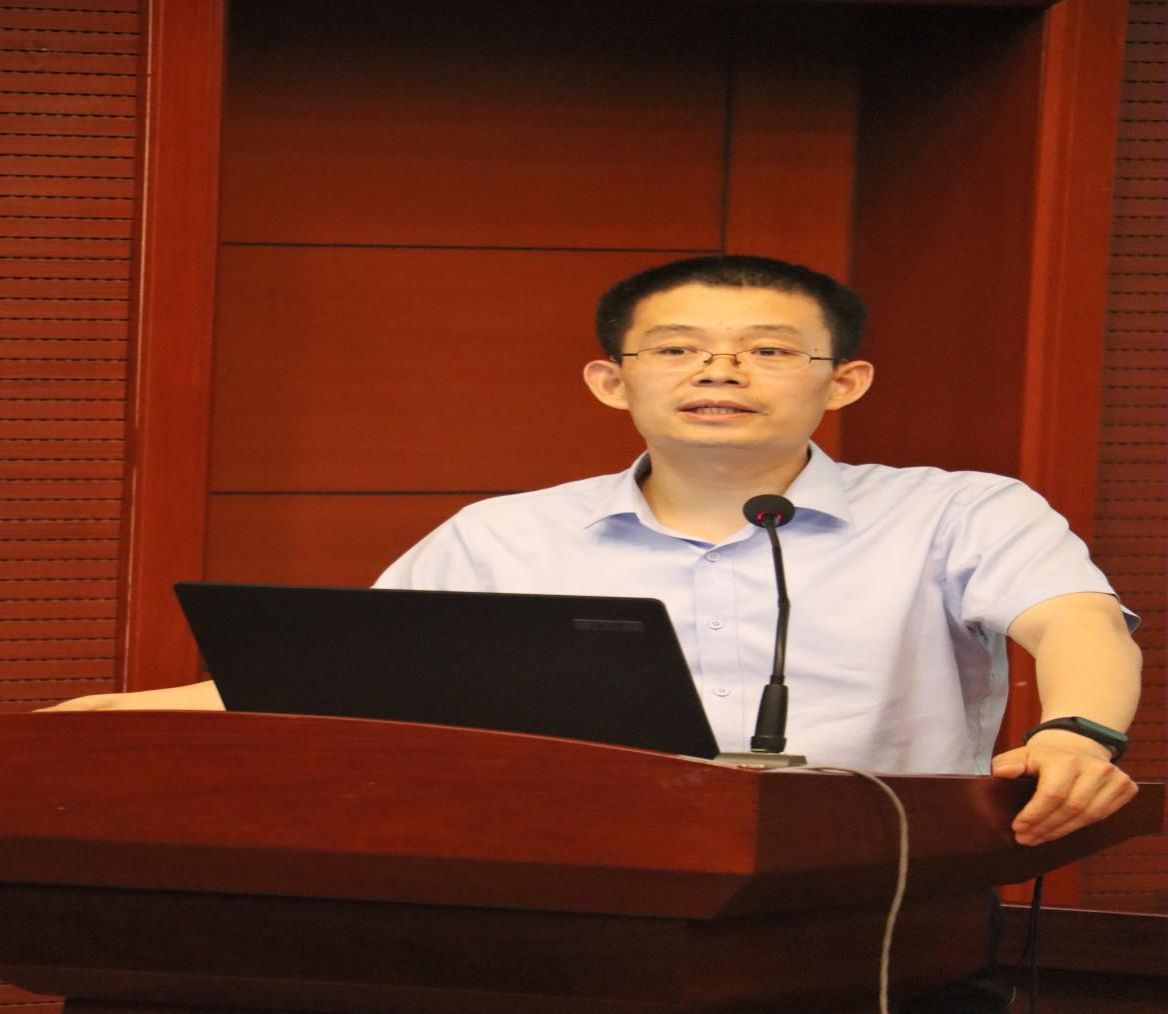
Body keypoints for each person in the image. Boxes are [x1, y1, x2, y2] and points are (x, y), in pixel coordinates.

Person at [48, 255, 1141, 1010]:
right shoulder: (504, 534)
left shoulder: (955, 510)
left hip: (869, 925)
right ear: (611, 381)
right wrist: (100, 723)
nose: (720, 371)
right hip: (566, 930)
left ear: (843, 379)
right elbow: (348, 689)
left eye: (768, 350)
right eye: (677, 349)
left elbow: (1075, 619)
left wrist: (1080, 731)